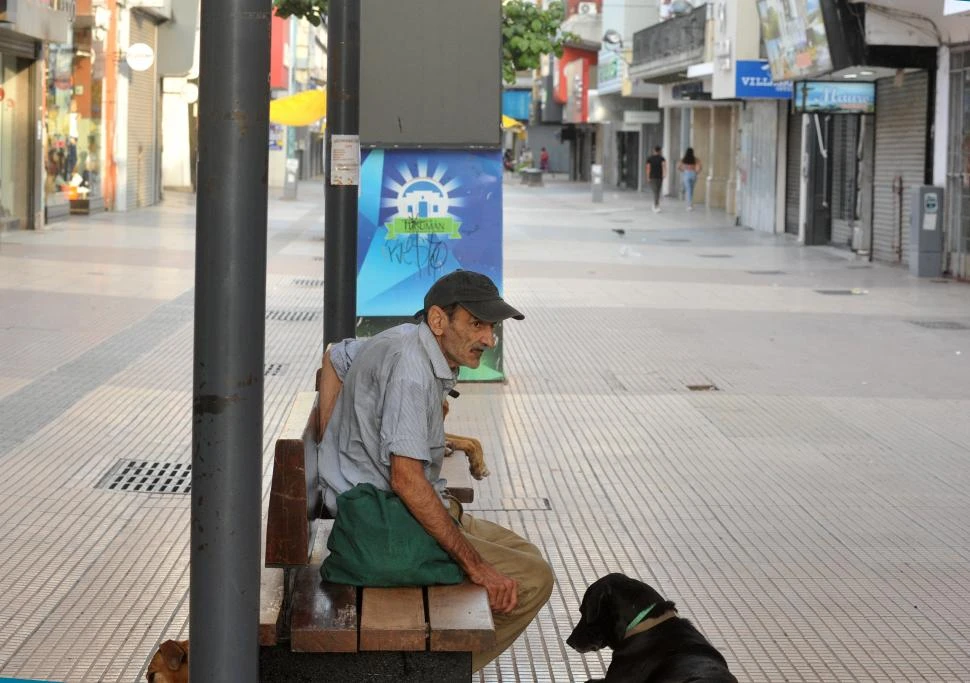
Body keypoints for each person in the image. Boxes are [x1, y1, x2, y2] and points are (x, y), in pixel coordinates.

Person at [317, 270, 554, 672]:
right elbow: (406, 480)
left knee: (526, 556)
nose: (488, 339)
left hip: (397, 504)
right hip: (386, 519)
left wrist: (332, 444)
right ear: (438, 321)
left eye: (492, 327)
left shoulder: (402, 338)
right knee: (533, 581)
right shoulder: (412, 372)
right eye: (476, 324)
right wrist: (477, 568)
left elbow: (335, 355)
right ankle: (429, 675)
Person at [645, 146, 666, 213]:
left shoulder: (650, 159)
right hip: (659, 177)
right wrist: (664, 174)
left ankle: (656, 205)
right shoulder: (662, 158)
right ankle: (656, 205)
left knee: (655, 191)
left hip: (652, 177)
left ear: (654, 150)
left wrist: (648, 176)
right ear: (660, 151)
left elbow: (648, 168)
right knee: (657, 191)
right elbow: (664, 167)